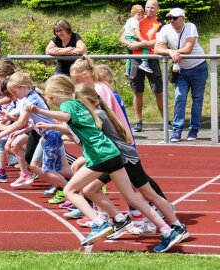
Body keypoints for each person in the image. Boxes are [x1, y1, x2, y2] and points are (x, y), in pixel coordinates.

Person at [28, 74, 182, 252]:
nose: (50, 101)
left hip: (100, 155)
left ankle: (98, 222)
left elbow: (65, 115)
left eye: (51, 97)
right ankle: (166, 230)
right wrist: (52, 125)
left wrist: (39, 112)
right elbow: (72, 123)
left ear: (61, 92)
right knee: (131, 197)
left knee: (70, 190)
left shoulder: (68, 105)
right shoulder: (80, 104)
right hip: (113, 153)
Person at [154, 8, 208, 142]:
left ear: (183, 18)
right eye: (169, 18)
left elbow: (188, 49)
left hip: (199, 67)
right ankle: (177, 131)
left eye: (175, 18)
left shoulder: (190, 27)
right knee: (179, 97)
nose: (171, 20)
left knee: (197, 99)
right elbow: (156, 48)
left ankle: (193, 130)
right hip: (181, 70)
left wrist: (172, 52)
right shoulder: (166, 28)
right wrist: (170, 52)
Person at [119, 0, 164, 133]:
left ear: (157, 9)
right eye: (147, 7)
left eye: (152, 7)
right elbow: (122, 37)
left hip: (152, 58)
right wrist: (129, 43)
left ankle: (165, 120)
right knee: (137, 91)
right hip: (135, 59)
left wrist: (139, 45)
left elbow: (160, 41)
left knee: (158, 90)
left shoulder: (161, 24)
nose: (149, 10)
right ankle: (138, 122)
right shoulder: (136, 20)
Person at [123, 5, 153, 76]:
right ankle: (144, 63)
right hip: (131, 39)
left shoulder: (129, 20)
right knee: (146, 47)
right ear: (133, 13)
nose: (140, 17)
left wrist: (144, 16)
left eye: (141, 15)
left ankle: (127, 71)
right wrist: (142, 41)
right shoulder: (135, 21)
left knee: (129, 56)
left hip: (127, 38)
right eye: (138, 15)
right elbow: (137, 32)